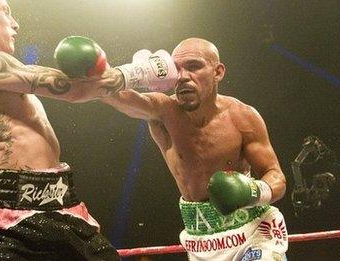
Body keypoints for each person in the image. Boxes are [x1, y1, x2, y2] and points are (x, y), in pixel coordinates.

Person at [0, 0, 175, 260]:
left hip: (63, 205)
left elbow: (81, 87)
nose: (15, 23)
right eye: (6, 12)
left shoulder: (5, 79)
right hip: (8, 220)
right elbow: (75, 90)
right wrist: (143, 71)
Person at [102, 38, 288, 260]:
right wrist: (135, 72)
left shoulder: (243, 116)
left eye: (193, 66)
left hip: (253, 231)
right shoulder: (162, 111)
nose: (182, 76)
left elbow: (277, 178)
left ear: (217, 72)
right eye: (175, 68)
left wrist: (252, 192)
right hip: (200, 242)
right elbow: (105, 93)